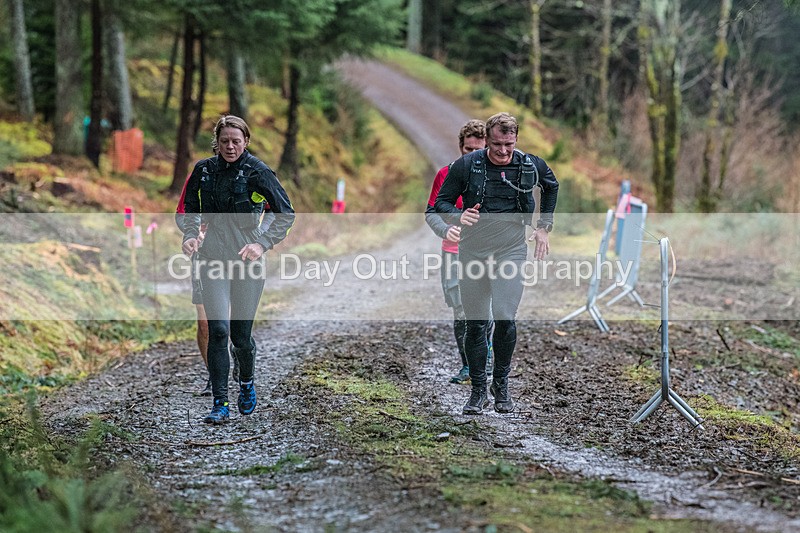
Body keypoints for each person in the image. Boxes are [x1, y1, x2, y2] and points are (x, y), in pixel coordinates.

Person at [435, 112, 558, 415]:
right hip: (473, 252)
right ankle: (478, 391)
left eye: (509, 144)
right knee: (476, 323)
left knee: (505, 317)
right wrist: (458, 216)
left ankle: (500, 385)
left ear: (516, 140)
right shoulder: (467, 165)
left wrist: (543, 226)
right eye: (497, 144)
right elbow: (441, 202)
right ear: (487, 141)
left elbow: (551, 186)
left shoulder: (529, 164)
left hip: (511, 251)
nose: (503, 151)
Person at [181, 115, 295, 424]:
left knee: (240, 337)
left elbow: (286, 213)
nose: (230, 146)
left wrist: (262, 244)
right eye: (224, 141)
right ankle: (220, 403)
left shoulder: (258, 172)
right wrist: (190, 235)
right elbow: (188, 208)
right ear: (216, 142)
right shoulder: (203, 171)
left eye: (236, 141)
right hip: (212, 260)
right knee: (218, 331)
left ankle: (246, 382)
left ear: (246, 142)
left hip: (247, 263)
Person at [425, 119, 494, 385]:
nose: (473, 155)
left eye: (479, 149)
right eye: (468, 150)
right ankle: (467, 365)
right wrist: (445, 230)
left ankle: (484, 359)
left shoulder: (498, 177)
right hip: (453, 250)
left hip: (487, 251)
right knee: (461, 310)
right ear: (460, 148)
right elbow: (432, 212)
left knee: (484, 309)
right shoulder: (446, 174)